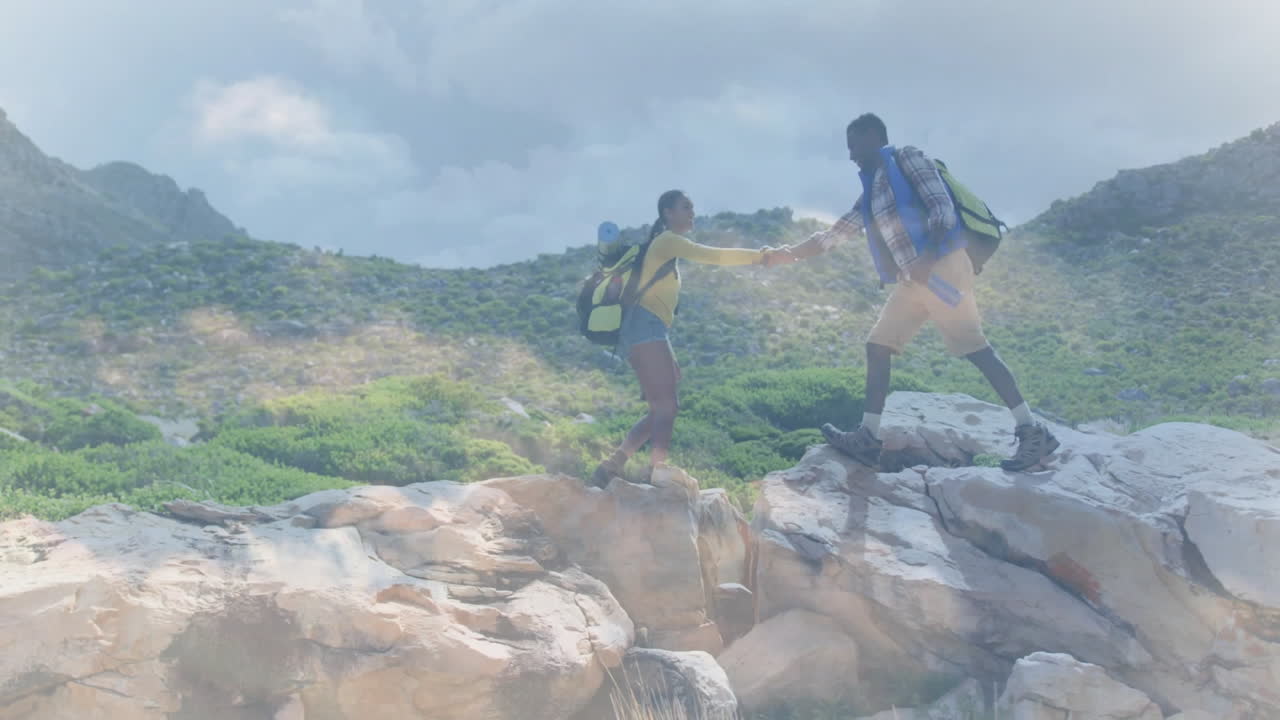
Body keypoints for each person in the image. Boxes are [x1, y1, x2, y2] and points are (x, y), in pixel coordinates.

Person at [768, 112, 1059, 472]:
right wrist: (790, 253)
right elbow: (836, 234)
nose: (851, 156)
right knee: (878, 346)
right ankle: (867, 438)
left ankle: (1033, 431)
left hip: (943, 270)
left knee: (976, 349)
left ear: (874, 138)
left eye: (854, 146)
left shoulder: (908, 159)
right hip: (915, 281)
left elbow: (942, 209)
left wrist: (928, 257)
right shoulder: (872, 190)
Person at [590, 189, 787, 487]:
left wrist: (668, 353)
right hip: (645, 328)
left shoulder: (665, 245)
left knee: (662, 407)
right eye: (686, 207)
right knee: (666, 407)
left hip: (649, 331)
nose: (692, 213)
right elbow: (714, 256)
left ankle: (612, 466)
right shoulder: (668, 241)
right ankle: (656, 473)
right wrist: (760, 258)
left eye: (692, 208)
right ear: (668, 212)